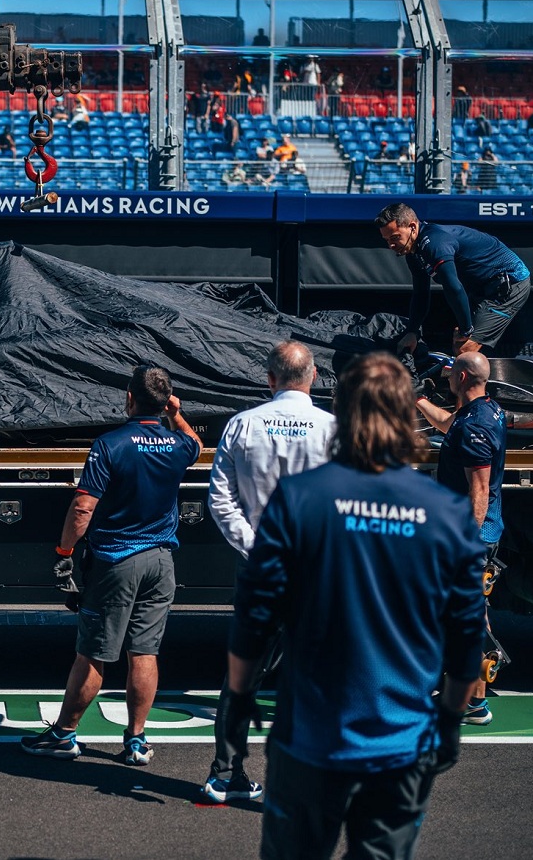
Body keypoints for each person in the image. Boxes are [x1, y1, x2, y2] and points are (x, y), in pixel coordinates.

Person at [227, 351, 486, 860]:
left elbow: (255, 612)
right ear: (407, 413)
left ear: (342, 413)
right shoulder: (446, 513)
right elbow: (465, 633)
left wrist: (239, 696)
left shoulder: (301, 498)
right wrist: (451, 720)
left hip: (309, 736)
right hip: (401, 740)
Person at [20, 365, 201, 765]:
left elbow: (83, 508)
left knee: (94, 653)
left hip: (117, 562)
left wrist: (65, 553)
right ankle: (136, 739)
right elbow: (195, 442)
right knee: (145, 652)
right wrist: (176, 412)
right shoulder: (176, 446)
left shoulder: (109, 444)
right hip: (161, 561)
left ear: (129, 398)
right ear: (164, 402)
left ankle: (65, 734)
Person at [200, 341, 336, 803]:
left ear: (269, 379)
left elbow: (220, 500)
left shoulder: (243, 424)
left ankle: (225, 773)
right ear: (314, 376)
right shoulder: (336, 430)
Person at [414, 351, 504, 726]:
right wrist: (418, 400)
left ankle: (472, 704)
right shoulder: (484, 411)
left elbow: (479, 490)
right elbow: (450, 424)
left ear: (464, 377)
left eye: (452, 371)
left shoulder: (474, 427)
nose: (447, 375)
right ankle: (469, 700)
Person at [375, 202, 531, 356]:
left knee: (465, 348)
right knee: (459, 345)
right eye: (387, 240)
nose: (391, 245)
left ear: (413, 227)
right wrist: (412, 332)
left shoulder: (435, 243)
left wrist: (467, 329)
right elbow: (421, 294)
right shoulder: (413, 253)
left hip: (510, 281)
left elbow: (454, 287)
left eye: (395, 237)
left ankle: (479, 379)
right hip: (482, 285)